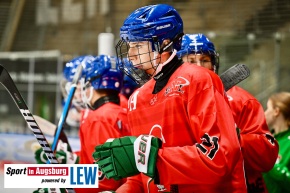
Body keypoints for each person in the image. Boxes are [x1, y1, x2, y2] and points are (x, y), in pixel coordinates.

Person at [93, 4, 247, 192]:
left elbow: (220, 156)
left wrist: (152, 159)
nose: (131, 54)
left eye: (138, 45)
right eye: (129, 46)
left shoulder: (198, 80)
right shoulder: (136, 99)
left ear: (165, 43)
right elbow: (139, 180)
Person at [177, 33, 279, 193]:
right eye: (190, 61)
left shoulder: (242, 101)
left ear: (213, 64)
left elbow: (267, 159)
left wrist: (236, 136)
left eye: (204, 60)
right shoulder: (171, 105)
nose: (198, 66)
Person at [34, 55, 130, 193]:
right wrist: (72, 160)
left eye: (85, 84)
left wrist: (63, 182)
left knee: (25, 176)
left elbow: (103, 178)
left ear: (92, 84)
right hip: (122, 187)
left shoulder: (99, 118)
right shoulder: (116, 111)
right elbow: (97, 161)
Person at [263, 92, 290, 193]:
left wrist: (269, 161)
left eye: (267, 108)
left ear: (276, 112)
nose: (264, 113)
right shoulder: (268, 139)